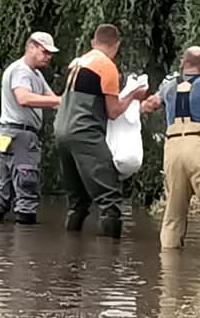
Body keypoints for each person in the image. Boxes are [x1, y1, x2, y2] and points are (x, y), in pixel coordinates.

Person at [140, 46, 200, 256]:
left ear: (182, 63)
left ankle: (168, 262)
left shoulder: (168, 86)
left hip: (173, 148)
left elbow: (149, 105)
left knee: (173, 212)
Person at [54, 24, 146, 239]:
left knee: (78, 201)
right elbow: (113, 111)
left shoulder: (78, 62)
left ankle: (71, 252)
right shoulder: (107, 67)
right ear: (116, 45)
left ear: (93, 42)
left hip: (61, 131)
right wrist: (132, 95)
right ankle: (110, 263)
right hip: (84, 132)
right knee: (110, 198)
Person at [0, 32, 61, 225]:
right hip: (20, 135)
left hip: (7, 134)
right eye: (45, 52)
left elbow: (52, 100)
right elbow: (24, 98)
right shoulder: (21, 71)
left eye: (50, 54)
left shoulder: (35, 74)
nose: (48, 57)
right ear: (31, 47)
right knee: (27, 187)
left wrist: (67, 101)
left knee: (5, 186)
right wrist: (62, 100)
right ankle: (25, 246)